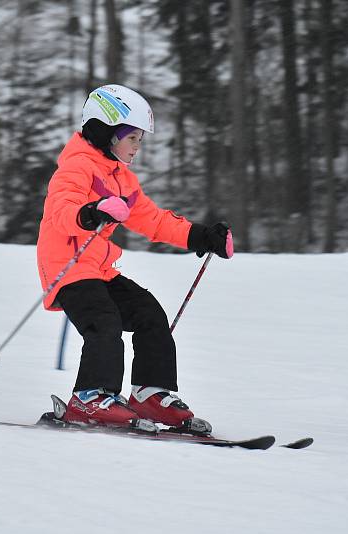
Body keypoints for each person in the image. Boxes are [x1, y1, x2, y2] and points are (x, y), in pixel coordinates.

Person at [36, 84, 233, 432]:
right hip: (67, 267)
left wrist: (200, 235)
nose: (137, 148)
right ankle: (89, 398)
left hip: (99, 269)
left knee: (149, 313)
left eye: (140, 140)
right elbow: (60, 209)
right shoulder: (76, 168)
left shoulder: (122, 179)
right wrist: (90, 212)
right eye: (132, 139)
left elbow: (152, 220)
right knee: (104, 321)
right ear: (107, 132)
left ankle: (149, 394)